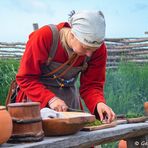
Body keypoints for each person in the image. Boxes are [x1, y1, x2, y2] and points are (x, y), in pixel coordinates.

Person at [15, 10, 116, 123]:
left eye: (93, 49)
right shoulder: (45, 36)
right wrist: (50, 99)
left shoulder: (99, 49)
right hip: (35, 101)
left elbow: (92, 85)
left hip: (69, 101)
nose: (89, 54)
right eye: (85, 47)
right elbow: (25, 78)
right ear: (72, 35)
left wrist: (98, 103)